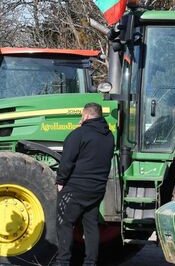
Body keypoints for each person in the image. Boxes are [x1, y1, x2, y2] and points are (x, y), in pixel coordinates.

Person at [55, 103, 115, 266]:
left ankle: (63, 262)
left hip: (75, 188)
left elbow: (66, 162)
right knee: (91, 226)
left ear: (86, 116)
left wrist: (60, 181)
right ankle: (90, 262)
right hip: (97, 189)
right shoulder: (109, 136)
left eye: (82, 116)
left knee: (65, 223)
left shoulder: (78, 134)